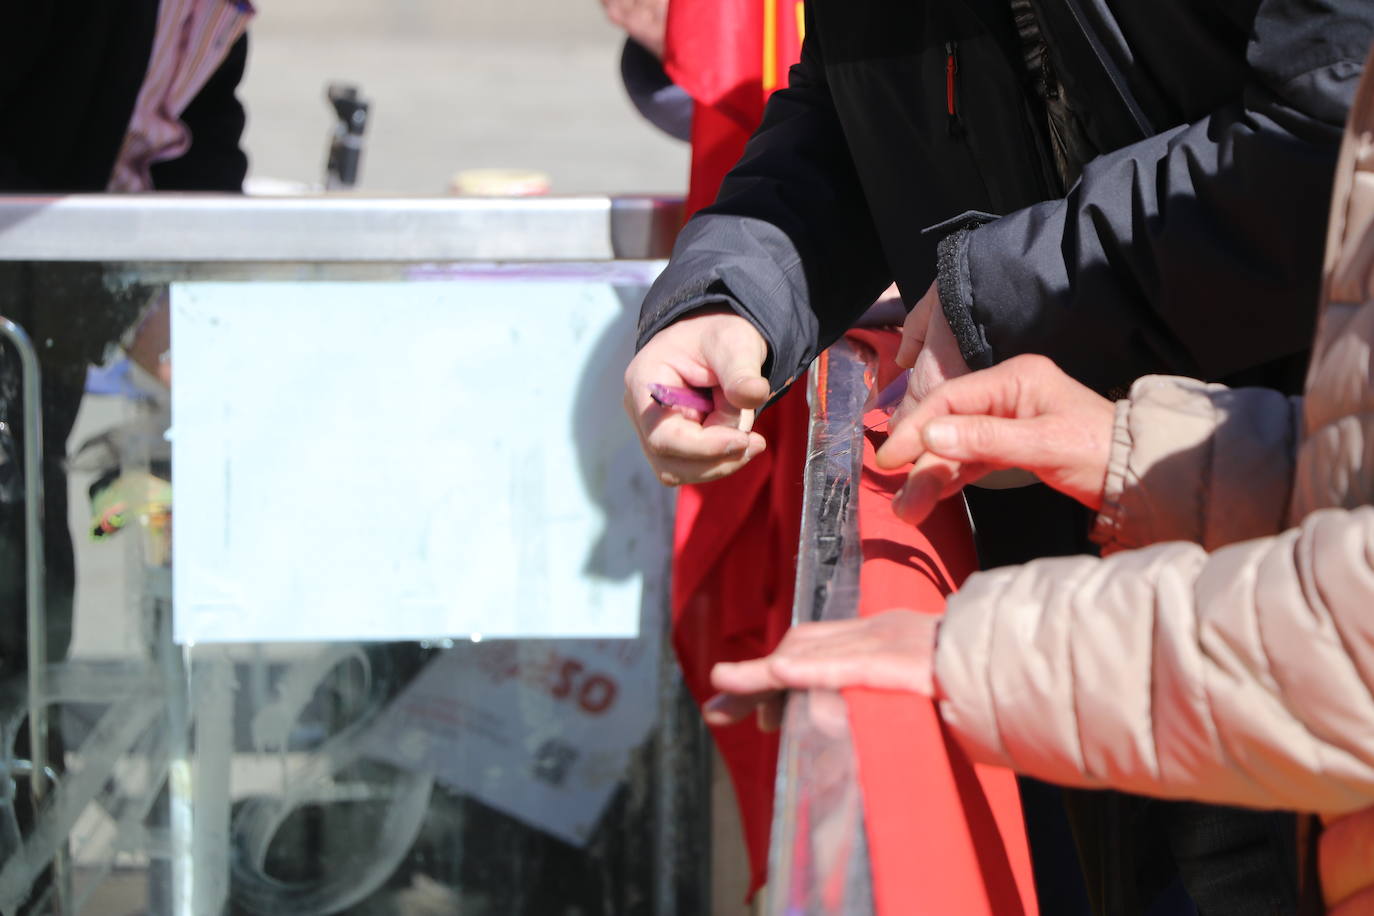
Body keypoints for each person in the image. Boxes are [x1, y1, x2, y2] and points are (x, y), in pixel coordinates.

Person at [624, 0, 1373, 910]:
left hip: (1254, 603)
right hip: (1078, 542)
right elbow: (857, 106)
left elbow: (1318, 144)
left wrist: (1003, 298)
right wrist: (731, 291)